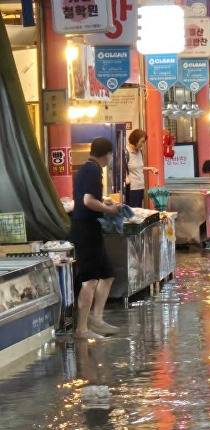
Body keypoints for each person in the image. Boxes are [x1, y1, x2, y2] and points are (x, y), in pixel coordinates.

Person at [70, 137, 122, 340]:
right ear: (106, 154)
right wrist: (108, 209)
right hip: (86, 230)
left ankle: (96, 319)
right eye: (111, 154)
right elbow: (87, 201)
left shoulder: (85, 169)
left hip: (90, 228)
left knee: (107, 274)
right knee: (90, 280)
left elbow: (88, 198)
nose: (110, 158)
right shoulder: (93, 170)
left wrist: (104, 200)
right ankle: (82, 329)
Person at [125, 129, 157, 208]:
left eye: (144, 142)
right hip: (131, 189)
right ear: (135, 139)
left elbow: (137, 167)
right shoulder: (126, 152)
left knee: (139, 211)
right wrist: (125, 177)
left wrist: (150, 168)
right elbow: (119, 169)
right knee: (132, 213)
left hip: (140, 187)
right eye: (142, 141)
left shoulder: (139, 152)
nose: (143, 144)